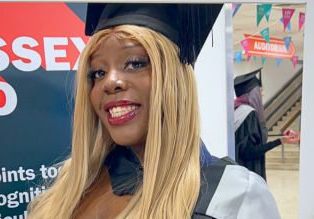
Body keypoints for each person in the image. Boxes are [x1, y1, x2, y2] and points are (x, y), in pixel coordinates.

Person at [27, 3, 281, 218]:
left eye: (135, 63)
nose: (110, 82)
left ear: (175, 82)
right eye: (98, 72)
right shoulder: (71, 182)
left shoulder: (233, 197)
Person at [234, 69, 300, 180]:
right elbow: (249, 153)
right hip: (249, 177)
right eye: (260, 90)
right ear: (252, 93)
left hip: (240, 174)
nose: (263, 94)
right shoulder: (249, 115)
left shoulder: (237, 110)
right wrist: (280, 141)